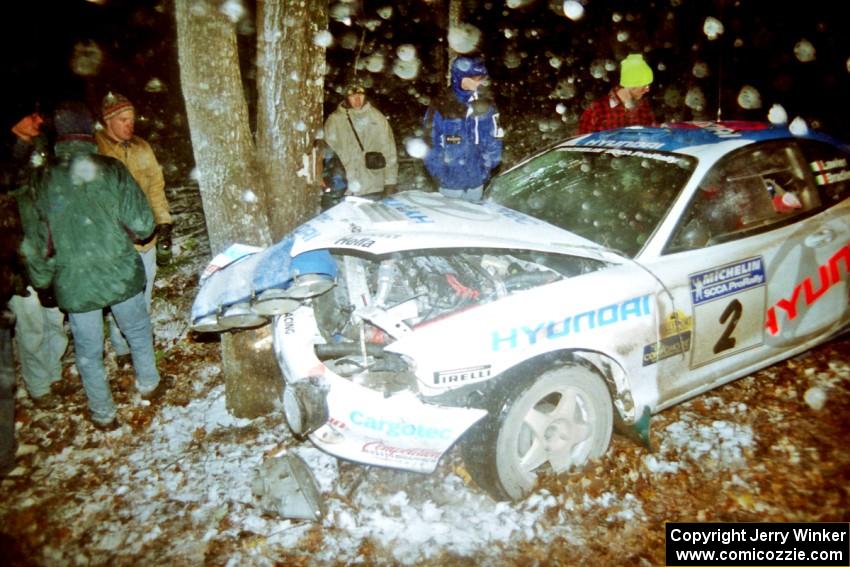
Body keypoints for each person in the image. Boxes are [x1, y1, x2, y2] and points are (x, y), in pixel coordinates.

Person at [17, 101, 172, 430]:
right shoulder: (112, 168)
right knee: (138, 330)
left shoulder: (40, 180)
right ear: (91, 131)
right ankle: (150, 384)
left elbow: (36, 242)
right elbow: (143, 225)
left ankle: (103, 415)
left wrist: (43, 282)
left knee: (87, 350)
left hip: (75, 280)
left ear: (58, 135)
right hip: (119, 272)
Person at [95, 92, 173, 368]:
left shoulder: (142, 147)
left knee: (145, 286)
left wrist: (163, 221)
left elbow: (155, 186)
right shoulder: (97, 150)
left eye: (132, 119)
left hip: (145, 234)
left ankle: (139, 337)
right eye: (124, 120)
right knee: (121, 293)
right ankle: (122, 345)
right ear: (108, 121)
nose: (131, 125)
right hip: (115, 240)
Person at [6, 110, 69, 408]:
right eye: (29, 116)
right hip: (19, 259)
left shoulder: (45, 149)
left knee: (55, 317)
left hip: (51, 251)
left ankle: (54, 372)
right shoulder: (6, 162)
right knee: (31, 325)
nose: (38, 120)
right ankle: (39, 385)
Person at [423, 56, 504, 201]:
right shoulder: (441, 105)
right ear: (460, 77)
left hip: (476, 182)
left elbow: (495, 139)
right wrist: (441, 174)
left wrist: (485, 170)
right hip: (449, 185)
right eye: (476, 77)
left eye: (482, 77)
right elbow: (429, 142)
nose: (480, 81)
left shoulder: (487, 104)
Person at [323, 81, 398, 198]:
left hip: (373, 187)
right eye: (353, 96)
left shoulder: (377, 118)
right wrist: (328, 178)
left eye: (360, 96)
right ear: (346, 97)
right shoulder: (334, 120)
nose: (357, 100)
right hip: (345, 188)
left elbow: (389, 152)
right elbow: (327, 154)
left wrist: (390, 182)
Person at [577, 53, 656, 134]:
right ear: (631, 85)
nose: (647, 90)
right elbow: (580, 142)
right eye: (644, 86)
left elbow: (654, 138)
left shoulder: (644, 108)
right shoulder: (597, 109)